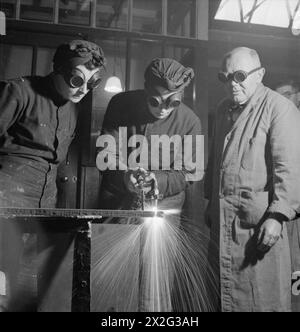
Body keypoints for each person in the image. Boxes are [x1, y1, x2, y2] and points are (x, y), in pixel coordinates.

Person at [0, 39, 106, 311]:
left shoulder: (73, 107)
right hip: (5, 210)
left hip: (43, 213)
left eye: (91, 83)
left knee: (26, 293)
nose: (83, 90)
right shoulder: (19, 91)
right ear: (58, 70)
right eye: (76, 80)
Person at [96, 58, 202, 311]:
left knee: (155, 281)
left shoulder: (190, 121)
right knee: (115, 279)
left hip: (163, 210)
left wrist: (159, 180)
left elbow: (189, 173)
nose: (163, 109)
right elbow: (105, 154)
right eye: (156, 100)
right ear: (146, 91)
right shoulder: (120, 104)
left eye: (172, 102)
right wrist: (124, 175)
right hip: (120, 205)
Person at [205, 47, 300, 312]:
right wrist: (211, 201)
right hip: (224, 224)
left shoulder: (280, 108)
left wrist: (278, 216)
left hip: (258, 227)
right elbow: (216, 161)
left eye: (239, 76)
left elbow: (290, 168)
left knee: (260, 299)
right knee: (221, 299)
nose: (232, 85)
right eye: (225, 78)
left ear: (260, 75)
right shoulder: (224, 108)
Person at [275, 79, 300, 311]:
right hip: (291, 209)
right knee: (293, 263)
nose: (283, 99)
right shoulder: (281, 124)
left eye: (287, 94)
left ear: (298, 96)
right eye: (278, 95)